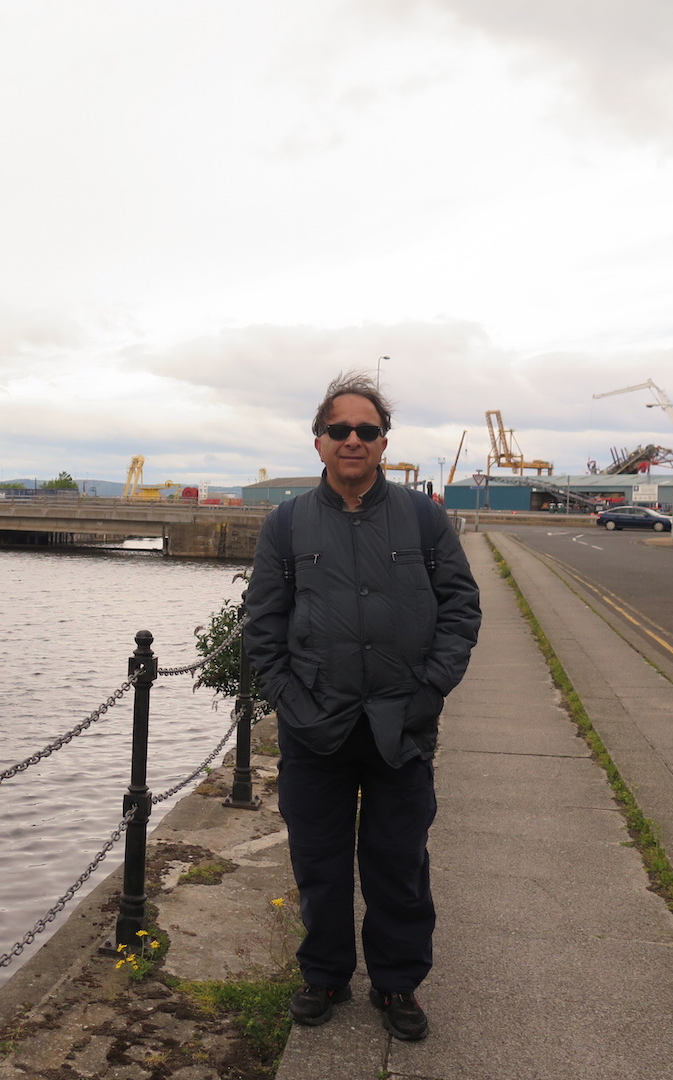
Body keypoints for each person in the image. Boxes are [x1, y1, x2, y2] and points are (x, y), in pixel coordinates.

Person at [243, 371, 481, 1041]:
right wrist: (289, 699)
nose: (353, 440)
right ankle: (324, 975)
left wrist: (430, 689)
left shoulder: (424, 519)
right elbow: (263, 623)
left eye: (366, 430)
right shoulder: (287, 524)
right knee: (318, 863)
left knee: (398, 862)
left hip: (401, 724)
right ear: (319, 441)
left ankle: (397, 982)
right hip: (315, 726)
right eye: (339, 429)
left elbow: (460, 608)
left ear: (383, 443)